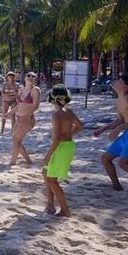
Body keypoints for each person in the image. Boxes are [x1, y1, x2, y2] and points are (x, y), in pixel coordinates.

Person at [42, 84, 83, 217]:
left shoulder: (56, 115)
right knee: (45, 173)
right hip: (68, 145)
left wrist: (48, 155)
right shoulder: (69, 111)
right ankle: (50, 205)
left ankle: (65, 210)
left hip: (61, 147)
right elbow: (79, 126)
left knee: (52, 180)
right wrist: (69, 134)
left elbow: (57, 138)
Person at [7, 71, 41, 166]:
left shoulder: (35, 90)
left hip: (27, 119)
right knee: (15, 139)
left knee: (16, 139)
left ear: (35, 79)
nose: (30, 77)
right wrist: (10, 113)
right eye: (28, 75)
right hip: (18, 118)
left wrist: (26, 115)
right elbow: (20, 105)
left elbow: (36, 106)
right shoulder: (21, 89)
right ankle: (28, 161)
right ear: (25, 78)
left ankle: (12, 162)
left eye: (33, 76)